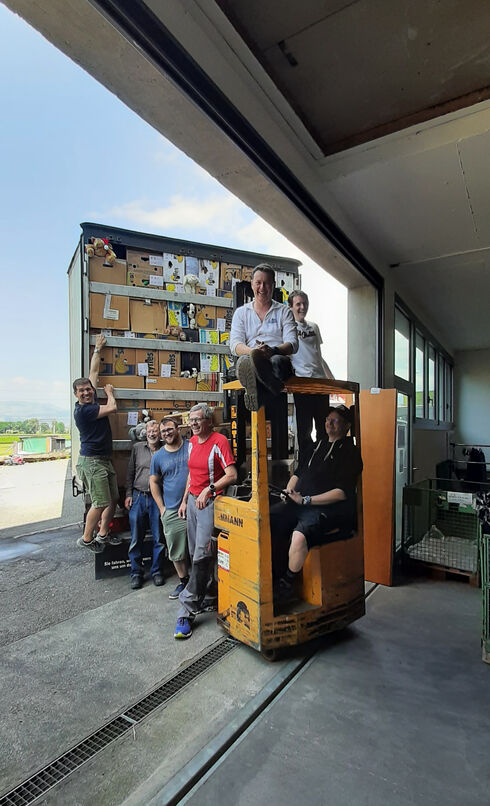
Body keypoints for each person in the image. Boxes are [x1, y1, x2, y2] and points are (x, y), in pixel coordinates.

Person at [270, 404, 362, 603]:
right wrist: (288, 491)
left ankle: (287, 585)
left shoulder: (350, 453)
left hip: (328, 509)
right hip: (300, 502)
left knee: (299, 536)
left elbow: (341, 493)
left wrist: (306, 500)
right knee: (267, 518)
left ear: (346, 426)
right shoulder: (316, 446)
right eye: (328, 420)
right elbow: (298, 473)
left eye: (335, 420)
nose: (329, 423)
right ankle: (273, 574)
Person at [174, 404, 237, 639]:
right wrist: (184, 501)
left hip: (210, 503)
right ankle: (209, 596)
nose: (193, 423)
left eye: (197, 420)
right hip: (192, 502)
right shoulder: (191, 442)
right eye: (190, 420)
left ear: (209, 421)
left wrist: (209, 490)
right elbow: (191, 474)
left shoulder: (219, 441)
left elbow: (232, 474)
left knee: (202, 555)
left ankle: (187, 609)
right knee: (195, 553)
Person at [74, 333, 121, 552]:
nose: (86, 392)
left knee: (113, 500)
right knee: (101, 502)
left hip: (103, 460)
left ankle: (103, 535)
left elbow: (93, 372)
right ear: (76, 395)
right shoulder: (85, 410)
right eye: (81, 391)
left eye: (88, 389)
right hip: (92, 463)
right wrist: (109, 393)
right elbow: (112, 408)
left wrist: (97, 349)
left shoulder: (91, 397)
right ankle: (86, 539)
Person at [230, 263, 298, 411]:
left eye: (266, 283)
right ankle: (273, 386)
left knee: (277, 361)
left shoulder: (284, 311)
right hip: (251, 355)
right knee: (245, 361)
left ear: (273, 286)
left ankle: (257, 392)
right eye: (258, 283)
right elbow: (235, 345)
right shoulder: (241, 313)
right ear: (252, 285)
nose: (262, 288)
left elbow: (293, 344)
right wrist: (255, 352)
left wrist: (272, 350)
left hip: (276, 357)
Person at [288, 290, 335, 459]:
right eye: (298, 304)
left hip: (320, 383)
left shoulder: (314, 327)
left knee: (323, 427)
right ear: (291, 307)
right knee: (304, 428)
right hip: (302, 383)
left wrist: (331, 379)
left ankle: (323, 461)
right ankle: (306, 465)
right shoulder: (288, 328)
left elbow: (318, 355)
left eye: (305, 303)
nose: (302, 307)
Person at [149, 418, 190, 600]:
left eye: (170, 429)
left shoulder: (190, 447)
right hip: (172, 511)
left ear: (178, 429)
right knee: (176, 551)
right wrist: (162, 508)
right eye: (163, 431)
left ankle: (200, 584)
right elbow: (154, 482)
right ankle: (184, 582)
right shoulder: (158, 456)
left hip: (195, 506)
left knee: (200, 549)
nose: (166, 433)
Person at [125, 420, 165, 589]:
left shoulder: (165, 450)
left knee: (159, 538)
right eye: (149, 430)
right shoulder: (137, 449)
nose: (152, 433)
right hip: (138, 497)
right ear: (145, 433)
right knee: (136, 538)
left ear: (160, 434)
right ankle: (136, 573)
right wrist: (128, 494)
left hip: (157, 499)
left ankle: (157, 572)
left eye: (155, 431)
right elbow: (130, 472)